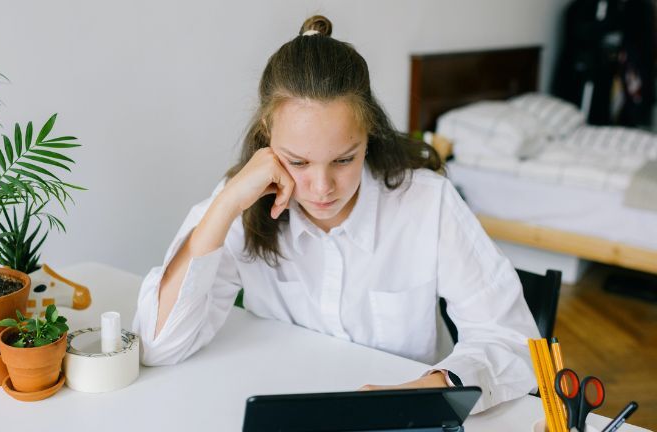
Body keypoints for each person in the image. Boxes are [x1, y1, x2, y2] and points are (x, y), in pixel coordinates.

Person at [133, 15, 539, 413]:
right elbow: (157, 346)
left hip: (409, 416)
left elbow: (513, 342)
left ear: (369, 133)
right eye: (298, 161)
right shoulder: (241, 203)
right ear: (267, 132)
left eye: (344, 159)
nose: (322, 187)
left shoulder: (428, 203)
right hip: (285, 407)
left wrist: (428, 390)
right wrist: (223, 206)